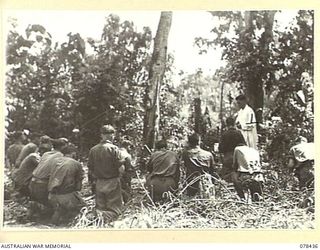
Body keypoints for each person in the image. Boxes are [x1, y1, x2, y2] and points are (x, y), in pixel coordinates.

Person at [88, 125, 125, 222]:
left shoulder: (93, 150)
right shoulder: (114, 149)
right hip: (112, 181)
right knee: (114, 210)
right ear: (113, 135)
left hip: (99, 182)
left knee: (100, 208)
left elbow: (90, 169)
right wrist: (120, 178)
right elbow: (121, 168)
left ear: (101, 135)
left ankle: (98, 223)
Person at [48, 144, 85, 225]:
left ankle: (54, 223)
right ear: (73, 153)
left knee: (59, 209)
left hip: (51, 195)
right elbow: (79, 185)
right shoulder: (76, 163)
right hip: (65, 196)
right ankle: (69, 223)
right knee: (82, 207)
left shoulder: (55, 161)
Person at [29, 138, 67, 206]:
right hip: (42, 185)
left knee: (37, 206)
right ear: (62, 147)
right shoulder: (60, 156)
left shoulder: (46, 154)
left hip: (32, 182)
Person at [219, 117, 246, 182]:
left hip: (228, 159)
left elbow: (220, 149)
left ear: (226, 124)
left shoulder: (224, 134)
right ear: (234, 124)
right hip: (239, 159)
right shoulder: (238, 133)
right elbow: (244, 146)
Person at [118, 139, 135, 203]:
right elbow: (128, 168)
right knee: (126, 187)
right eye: (129, 147)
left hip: (112, 175)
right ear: (127, 146)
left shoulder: (116, 151)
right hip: (122, 175)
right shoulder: (127, 155)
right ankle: (127, 200)